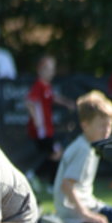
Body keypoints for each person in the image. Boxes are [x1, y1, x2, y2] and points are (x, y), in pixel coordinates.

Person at [53, 91, 112, 223]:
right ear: (85, 125)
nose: (107, 130)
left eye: (110, 125)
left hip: (81, 207)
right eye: (102, 125)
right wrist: (86, 214)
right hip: (79, 212)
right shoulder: (84, 150)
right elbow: (67, 185)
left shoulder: (85, 145)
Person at [26, 55, 75, 188]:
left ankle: (47, 182)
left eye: (52, 69)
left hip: (48, 128)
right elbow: (29, 102)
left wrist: (68, 103)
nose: (51, 72)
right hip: (42, 130)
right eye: (48, 69)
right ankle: (36, 176)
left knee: (56, 153)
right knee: (56, 152)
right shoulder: (38, 85)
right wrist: (36, 120)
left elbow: (54, 98)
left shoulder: (46, 86)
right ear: (40, 70)